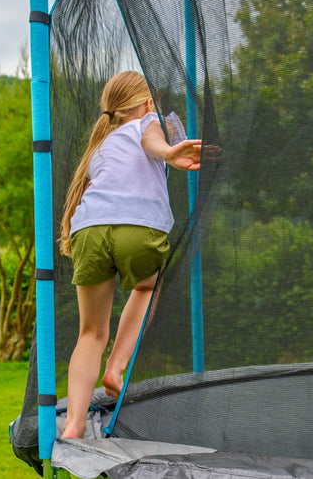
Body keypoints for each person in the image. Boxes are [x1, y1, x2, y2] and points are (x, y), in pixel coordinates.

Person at [58, 71, 201, 439]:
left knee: (90, 332)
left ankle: (73, 425)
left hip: (89, 228)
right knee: (146, 288)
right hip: (139, 226)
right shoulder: (150, 121)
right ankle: (116, 368)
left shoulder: (99, 148)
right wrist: (170, 153)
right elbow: (154, 140)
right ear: (146, 103)